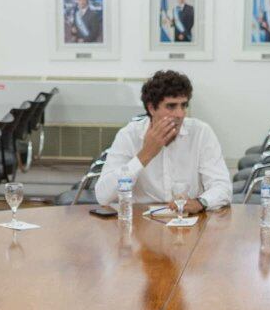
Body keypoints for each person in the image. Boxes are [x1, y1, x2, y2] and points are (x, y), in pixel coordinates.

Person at [93, 70, 233, 214]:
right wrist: (145, 155)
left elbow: (223, 186)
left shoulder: (201, 132)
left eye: (184, 105)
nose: (180, 114)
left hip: (187, 220)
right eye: (171, 106)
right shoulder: (129, 135)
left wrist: (201, 202)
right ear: (152, 108)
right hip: (142, 222)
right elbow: (103, 196)